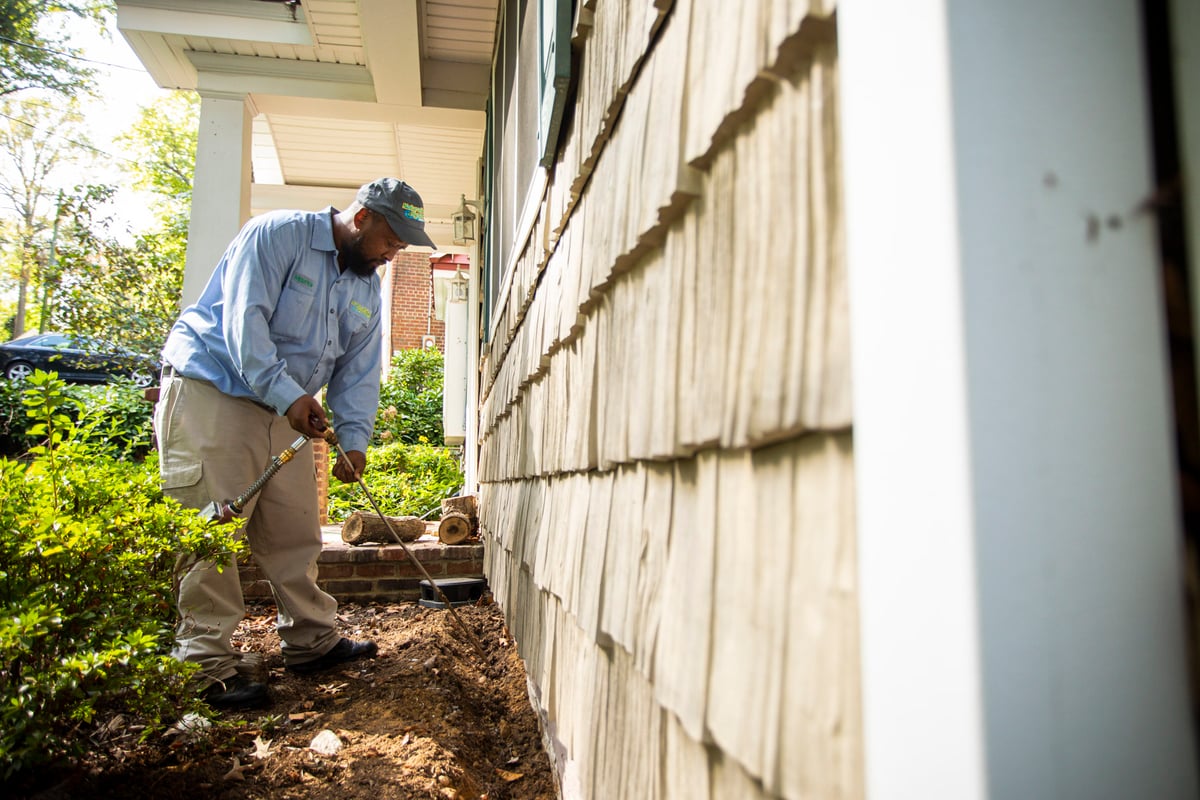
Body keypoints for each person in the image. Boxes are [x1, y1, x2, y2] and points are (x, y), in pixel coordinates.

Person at [154, 177, 436, 709]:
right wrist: (290, 396)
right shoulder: (276, 235)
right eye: (392, 239)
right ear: (361, 220)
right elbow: (245, 326)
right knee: (212, 531)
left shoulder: (365, 286)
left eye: (404, 244)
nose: (394, 252)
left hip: (283, 409)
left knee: (295, 530)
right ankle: (204, 665)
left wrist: (354, 440)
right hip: (216, 394)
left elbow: (358, 372)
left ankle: (311, 640)